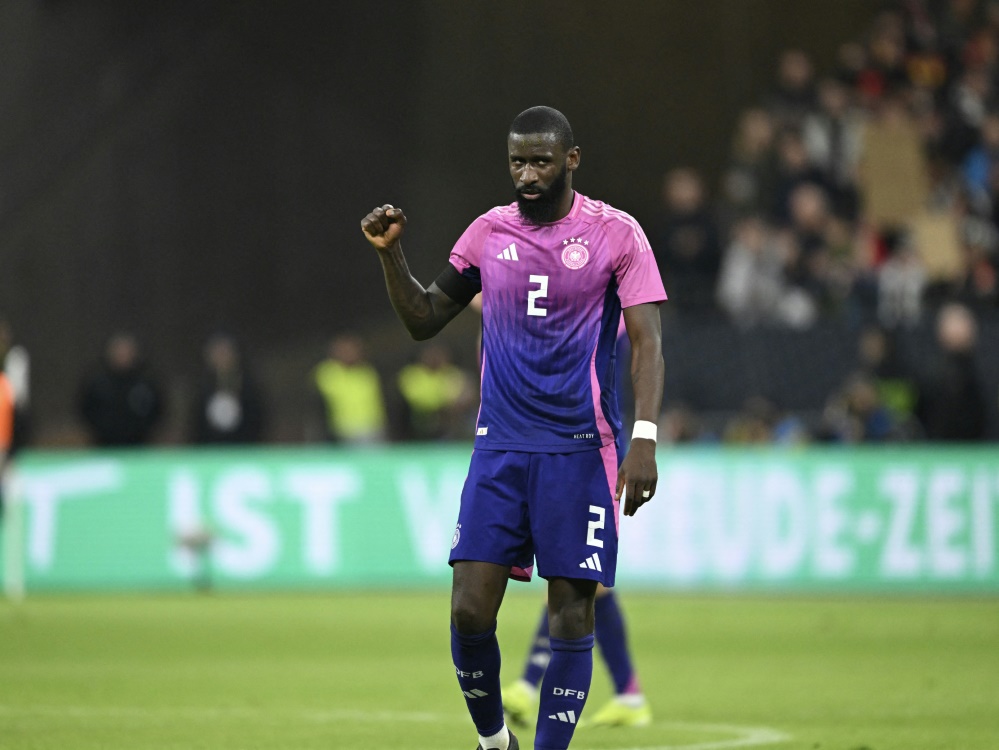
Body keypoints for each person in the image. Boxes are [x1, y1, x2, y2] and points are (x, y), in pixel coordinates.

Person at [361, 105, 666, 750]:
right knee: (469, 608)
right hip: (498, 446)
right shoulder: (486, 233)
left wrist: (645, 437)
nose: (527, 174)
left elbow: (646, 343)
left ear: (571, 161)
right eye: (517, 161)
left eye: (541, 161)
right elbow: (422, 318)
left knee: (572, 610)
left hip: (580, 449)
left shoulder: (617, 234)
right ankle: (495, 741)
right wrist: (392, 257)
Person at [77, 332, 164, 447]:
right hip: (104, 444)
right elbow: (84, 409)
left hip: (139, 445)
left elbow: (158, 410)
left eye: (126, 352)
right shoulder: (97, 383)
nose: (122, 356)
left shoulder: (145, 384)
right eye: (119, 351)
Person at [312, 333, 388, 444]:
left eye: (353, 350)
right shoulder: (327, 372)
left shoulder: (367, 371)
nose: (350, 353)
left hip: (373, 427)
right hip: (344, 430)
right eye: (344, 350)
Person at [191, 332, 265, 444]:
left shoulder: (248, 386)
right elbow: (195, 423)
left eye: (225, 352)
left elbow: (257, 419)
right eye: (217, 352)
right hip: (210, 450)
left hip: (243, 449)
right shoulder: (203, 387)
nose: (221, 357)